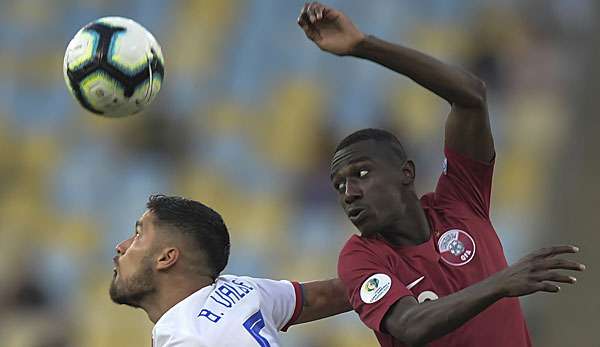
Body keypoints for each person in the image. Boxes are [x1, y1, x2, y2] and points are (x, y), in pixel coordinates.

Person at [298, 2, 586, 347]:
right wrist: (499, 283)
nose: (349, 191)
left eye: (361, 173)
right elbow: (408, 325)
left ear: (406, 173)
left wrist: (364, 46)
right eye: (340, 184)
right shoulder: (361, 256)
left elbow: (470, 97)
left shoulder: (461, 201)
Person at [109, 194, 350, 347]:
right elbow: (322, 297)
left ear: (166, 258)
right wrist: (381, 278)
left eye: (139, 234)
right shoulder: (241, 291)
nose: (122, 247)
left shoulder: (190, 339)